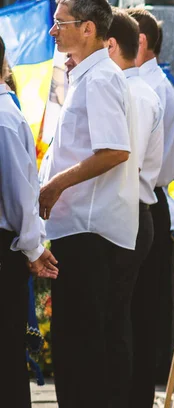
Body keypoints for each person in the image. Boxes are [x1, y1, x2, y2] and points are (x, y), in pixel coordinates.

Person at [40, 0, 139, 408]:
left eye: (61, 22)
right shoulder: (87, 74)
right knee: (90, 346)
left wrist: (56, 183)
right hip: (83, 230)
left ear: (88, 28)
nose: (53, 29)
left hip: (90, 232)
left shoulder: (100, 78)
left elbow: (115, 150)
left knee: (82, 350)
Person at [107, 9, 165, 408]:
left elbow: (128, 161)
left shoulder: (137, 93)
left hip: (133, 211)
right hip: (129, 211)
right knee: (120, 319)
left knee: (123, 322)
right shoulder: (128, 89)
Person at [0, 35, 59, 408]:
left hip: (4, 247)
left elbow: (20, 191)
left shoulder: (5, 119)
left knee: (5, 354)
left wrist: (33, 247)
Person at [126, 7, 174, 396]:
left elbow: (152, 164)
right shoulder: (145, 84)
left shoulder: (153, 88)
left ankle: (138, 393)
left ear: (140, 42)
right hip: (143, 199)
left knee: (141, 308)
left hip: (146, 199)